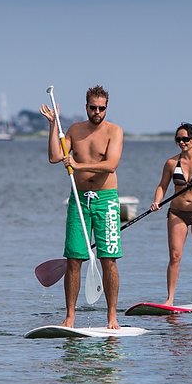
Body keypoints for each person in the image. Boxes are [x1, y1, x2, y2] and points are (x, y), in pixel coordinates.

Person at [40, 85, 124, 329]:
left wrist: (77, 166)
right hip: (79, 199)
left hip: (106, 199)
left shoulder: (114, 131)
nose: (97, 112)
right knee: (74, 258)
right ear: (86, 106)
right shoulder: (75, 130)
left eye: (101, 108)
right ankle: (70, 317)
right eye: (93, 107)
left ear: (106, 108)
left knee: (108, 259)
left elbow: (111, 164)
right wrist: (53, 125)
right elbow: (55, 157)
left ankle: (112, 317)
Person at [151, 122, 192, 306]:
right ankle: (170, 299)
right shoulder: (172, 163)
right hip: (177, 213)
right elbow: (162, 186)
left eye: (185, 139)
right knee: (175, 256)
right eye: (178, 139)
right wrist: (157, 200)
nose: (182, 142)